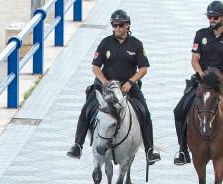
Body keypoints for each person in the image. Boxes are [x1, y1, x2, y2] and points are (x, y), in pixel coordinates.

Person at [66, 10, 159, 164]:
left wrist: (130, 82)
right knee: (86, 109)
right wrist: (104, 81)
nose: (117, 28)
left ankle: (149, 150)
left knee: (145, 112)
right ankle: (78, 145)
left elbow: (143, 69)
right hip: (106, 84)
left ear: (127, 25)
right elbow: (95, 67)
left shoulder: (136, 44)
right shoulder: (105, 43)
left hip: (127, 85)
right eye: (114, 25)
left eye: (120, 25)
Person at [173, 1, 223, 165]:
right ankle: (182, 149)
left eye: (215, 17)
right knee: (179, 110)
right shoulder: (200, 34)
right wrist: (201, 74)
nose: (212, 19)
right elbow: (195, 59)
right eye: (210, 16)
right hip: (203, 80)